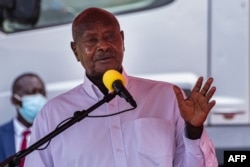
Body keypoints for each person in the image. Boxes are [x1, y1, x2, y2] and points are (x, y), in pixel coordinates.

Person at [25, 7, 218, 167]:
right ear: (75, 51)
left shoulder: (166, 97)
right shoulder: (53, 114)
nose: (103, 46)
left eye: (110, 36)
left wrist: (194, 130)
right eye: (91, 40)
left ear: (122, 41)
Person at [0, 73, 47, 165]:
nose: (38, 98)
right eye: (32, 92)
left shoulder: (54, 133)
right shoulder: (1, 135)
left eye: (41, 93)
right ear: (15, 100)